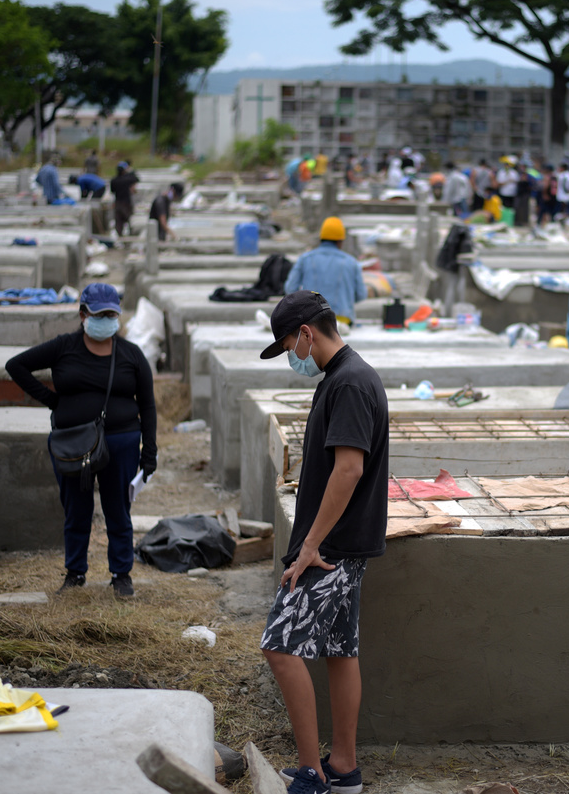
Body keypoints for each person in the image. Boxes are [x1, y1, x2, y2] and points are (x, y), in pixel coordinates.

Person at [257, 291, 389, 794]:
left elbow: (349, 468)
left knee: (280, 648)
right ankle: (343, 769)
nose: (291, 357)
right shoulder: (346, 377)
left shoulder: (349, 383)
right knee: (339, 650)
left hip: (330, 551)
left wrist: (311, 544)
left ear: (307, 334)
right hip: (343, 545)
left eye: (289, 346)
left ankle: (311, 774)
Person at [5, 283, 157, 597]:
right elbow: (16, 365)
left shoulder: (131, 354)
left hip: (121, 443)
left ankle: (121, 574)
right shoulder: (64, 347)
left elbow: (148, 405)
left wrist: (149, 451)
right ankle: (75, 573)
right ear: (83, 314)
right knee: (76, 510)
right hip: (72, 445)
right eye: (99, 314)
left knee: (118, 510)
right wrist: (52, 401)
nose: (105, 320)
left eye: (111, 315)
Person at [285, 217, 367, 324]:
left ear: (321, 238)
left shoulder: (305, 259)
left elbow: (290, 289)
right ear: (340, 241)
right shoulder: (351, 262)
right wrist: (345, 301)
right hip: (341, 320)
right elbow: (361, 294)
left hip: (312, 321)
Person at [109, 160, 139, 238]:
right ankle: (130, 238)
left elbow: (112, 191)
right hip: (126, 203)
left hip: (117, 203)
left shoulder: (114, 180)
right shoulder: (127, 179)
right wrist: (130, 171)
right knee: (129, 221)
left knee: (119, 222)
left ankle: (120, 238)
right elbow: (136, 178)